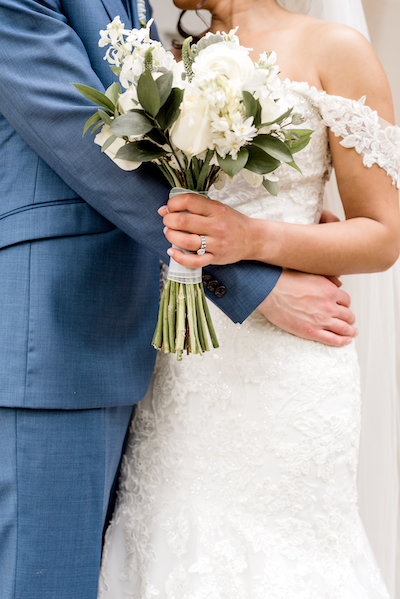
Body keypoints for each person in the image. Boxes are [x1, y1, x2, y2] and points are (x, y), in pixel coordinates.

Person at [0, 1, 359, 598]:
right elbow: (83, 134)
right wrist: (254, 278)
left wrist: (285, 227)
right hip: (67, 332)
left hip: (157, 349)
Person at [97, 0, 400, 597]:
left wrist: (258, 238)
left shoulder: (335, 50)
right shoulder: (169, 61)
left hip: (287, 367)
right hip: (181, 365)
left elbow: (383, 234)